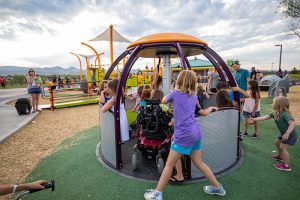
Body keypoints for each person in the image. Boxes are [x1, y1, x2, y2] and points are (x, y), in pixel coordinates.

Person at [144, 70, 226, 200]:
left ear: (179, 81)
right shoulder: (193, 95)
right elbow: (187, 111)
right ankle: (217, 188)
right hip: (195, 133)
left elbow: (163, 100)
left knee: (169, 165)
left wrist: (174, 91)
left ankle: (157, 193)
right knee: (199, 163)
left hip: (184, 135)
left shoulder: (175, 93)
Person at [248, 96, 297, 171]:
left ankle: (286, 166)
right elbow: (264, 118)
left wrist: (287, 133)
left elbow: (292, 124)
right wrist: (253, 119)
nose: (272, 104)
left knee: (283, 147)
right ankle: (280, 156)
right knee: (277, 143)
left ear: (279, 105)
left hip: (290, 134)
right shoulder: (275, 113)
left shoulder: (285, 114)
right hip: (283, 133)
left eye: (273, 102)